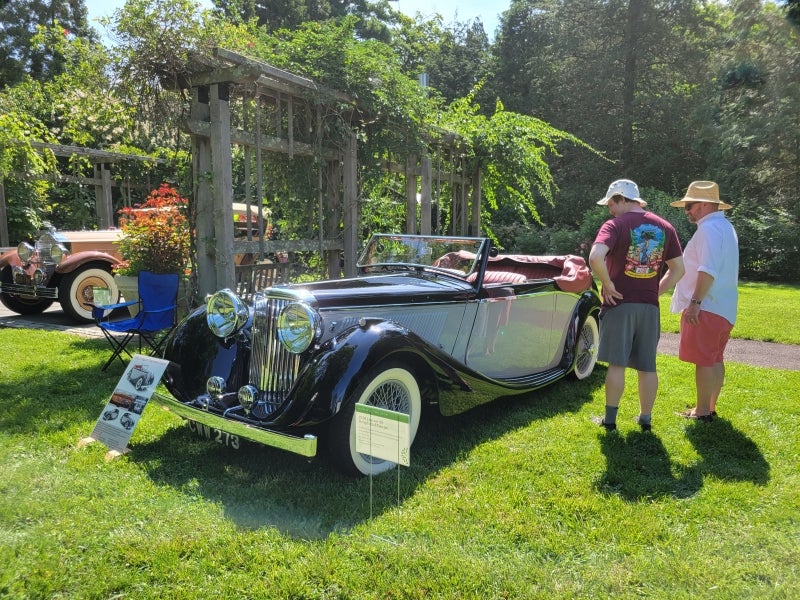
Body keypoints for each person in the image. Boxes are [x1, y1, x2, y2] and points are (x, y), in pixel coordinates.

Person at [589, 179, 684, 431]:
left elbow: (595, 256)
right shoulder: (665, 227)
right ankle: (645, 419)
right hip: (649, 307)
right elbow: (679, 269)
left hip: (619, 303)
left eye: (611, 203)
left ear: (621, 199)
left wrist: (608, 285)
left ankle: (609, 421)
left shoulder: (615, 225)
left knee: (617, 364)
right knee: (647, 365)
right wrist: (656, 290)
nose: (609, 209)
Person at [670, 181, 738, 421]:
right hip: (724, 305)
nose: (687, 210)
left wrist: (695, 303)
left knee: (704, 361)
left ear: (707, 204)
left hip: (707, 305)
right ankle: (709, 407)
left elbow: (707, 269)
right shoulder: (725, 227)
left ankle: (701, 412)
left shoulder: (709, 230)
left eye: (690, 205)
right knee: (715, 358)